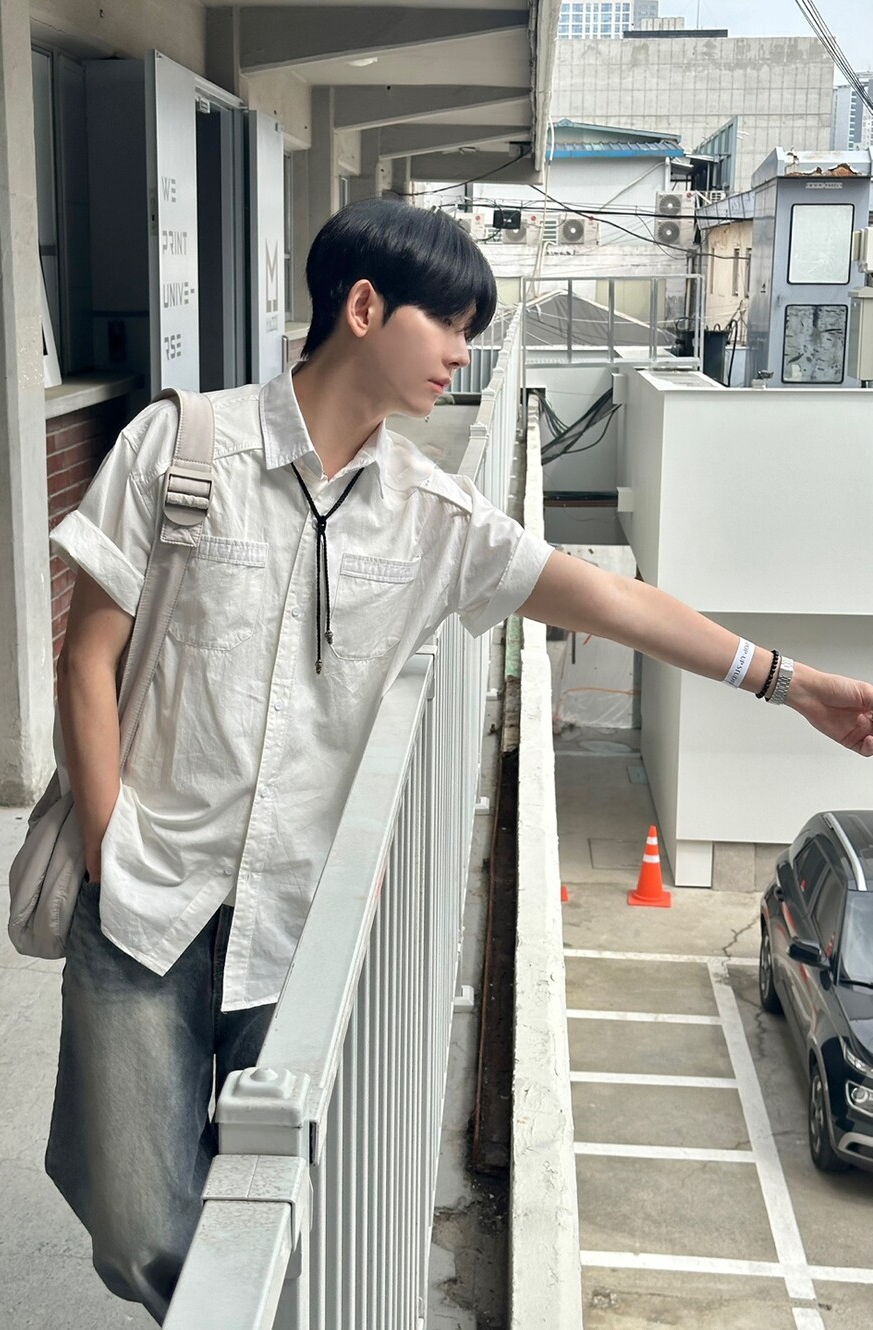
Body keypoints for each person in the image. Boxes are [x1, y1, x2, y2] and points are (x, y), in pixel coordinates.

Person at [45, 197, 873, 1322]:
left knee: (259, 1194)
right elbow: (87, 658)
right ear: (364, 306)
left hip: (295, 920)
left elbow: (614, 601)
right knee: (138, 1220)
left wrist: (791, 682)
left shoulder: (432, 517)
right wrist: (107, 851)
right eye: (448, 324)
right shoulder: (183, 446)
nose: (462, 354)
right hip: (148, 896)